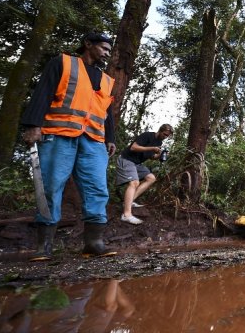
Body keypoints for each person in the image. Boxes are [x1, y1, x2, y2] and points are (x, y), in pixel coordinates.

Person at [21, 31, 118, 261]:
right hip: (59, 134)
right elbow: (43, 92)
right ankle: (44, 246)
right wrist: (33, 124)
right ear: (87, 44)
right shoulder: (63, 63)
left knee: (97, 188)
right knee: (51, 186)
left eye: (108, 50)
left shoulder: (106, 79)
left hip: (94, 140)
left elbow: (107, 112)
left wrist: (110, 138)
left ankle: (93, 243)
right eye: (103, 48)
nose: (106, 53)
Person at [115, 124, 173, 224]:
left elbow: (151, 156)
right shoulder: (147, 135)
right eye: (164, 134)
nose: (165, 137)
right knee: (134, 182)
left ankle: (128, 202)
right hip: (127, 159)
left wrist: (159, 155)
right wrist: (151, 148)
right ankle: (126, 215)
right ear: (160, 130)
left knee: (151, 178)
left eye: (167, 136)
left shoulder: (159, 142)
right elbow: (133, 147)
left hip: (137, 163)